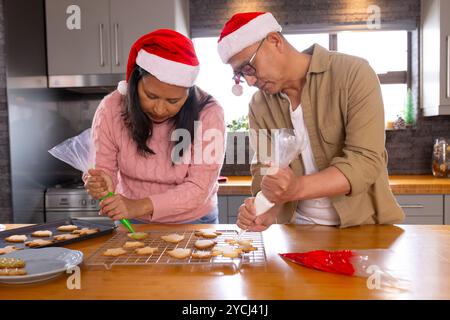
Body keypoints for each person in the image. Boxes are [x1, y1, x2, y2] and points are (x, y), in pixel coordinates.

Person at [216, 12, 404, 230]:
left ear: (274, 41)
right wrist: (266, 210)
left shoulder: (353, 74)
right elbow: (265, 169)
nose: (248, 81)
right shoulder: (259, 105)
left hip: (363, 228)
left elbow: (364, 161)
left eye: (248, 67)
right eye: (240, 74)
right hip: (299, 231)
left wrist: (296, 188)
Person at [84, 29, 225, 224]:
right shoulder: (111, 108)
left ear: (188, 93)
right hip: (133, 220)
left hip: (194, 221)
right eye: (151, 96)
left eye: (173, 100)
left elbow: (199, 188)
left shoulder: (209, 113)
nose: (160, 109)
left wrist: (139, 206)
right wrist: (101, 182)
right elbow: (103, 169)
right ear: (134, 83)